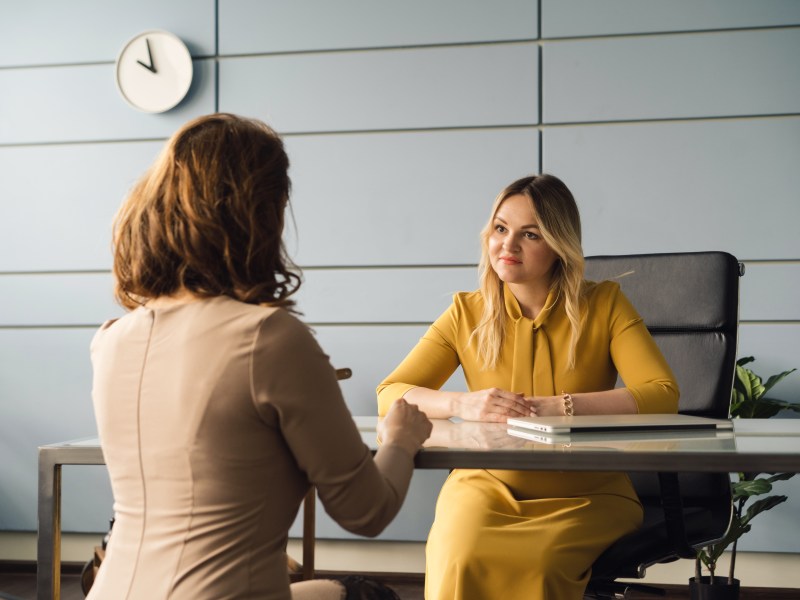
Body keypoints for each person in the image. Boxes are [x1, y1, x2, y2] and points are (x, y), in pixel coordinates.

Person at [88, 113, 432, 600]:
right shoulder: (270, 337)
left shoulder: (111, 340)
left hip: (112, 592)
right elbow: (366, 511)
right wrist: (401, 441)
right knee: (369, 595)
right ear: (262, 213)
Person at [377, 174, 679, 599]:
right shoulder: (466, 312)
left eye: (530, 234)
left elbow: (663, 392)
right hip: (485, 486)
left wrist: (561, 407)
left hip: (587, 493)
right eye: (500, 229)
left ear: (558, 244)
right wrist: (463, 402)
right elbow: (391, 393)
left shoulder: (606, 303)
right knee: (459, 555)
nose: (508, 245)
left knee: (541, 565)